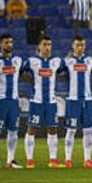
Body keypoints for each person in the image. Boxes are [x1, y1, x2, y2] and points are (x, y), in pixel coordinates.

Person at [22, 35, 64, 168]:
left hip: (51, 101)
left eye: (49, 44)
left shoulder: (57, 61)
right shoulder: (31, 61)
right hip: (36, 101)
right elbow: (21, 72)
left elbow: (64, 72)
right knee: (31, 128)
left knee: (52, 129)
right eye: (45, 44)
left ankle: (53, 160)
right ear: (39, 47)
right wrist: (31, 80)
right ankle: (29, 160)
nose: (47, 47)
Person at [0, 34, 24, 169]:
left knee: (13, 131)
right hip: (0, 101)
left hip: (14, 101)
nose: (9, 44)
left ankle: (11, 159)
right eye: (6, 42)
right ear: (1, 44)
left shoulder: (18, 60)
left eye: (11, 42)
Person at [63, 36, 92, 168]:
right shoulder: (67, 61)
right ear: (73, 46)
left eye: (82, 45)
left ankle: (87, 159)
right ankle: (67, 159)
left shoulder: (90, 61)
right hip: (73, 100)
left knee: (88, 130)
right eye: (77, 45)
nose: (80, 47)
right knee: (71, 130)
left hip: (87, 101)